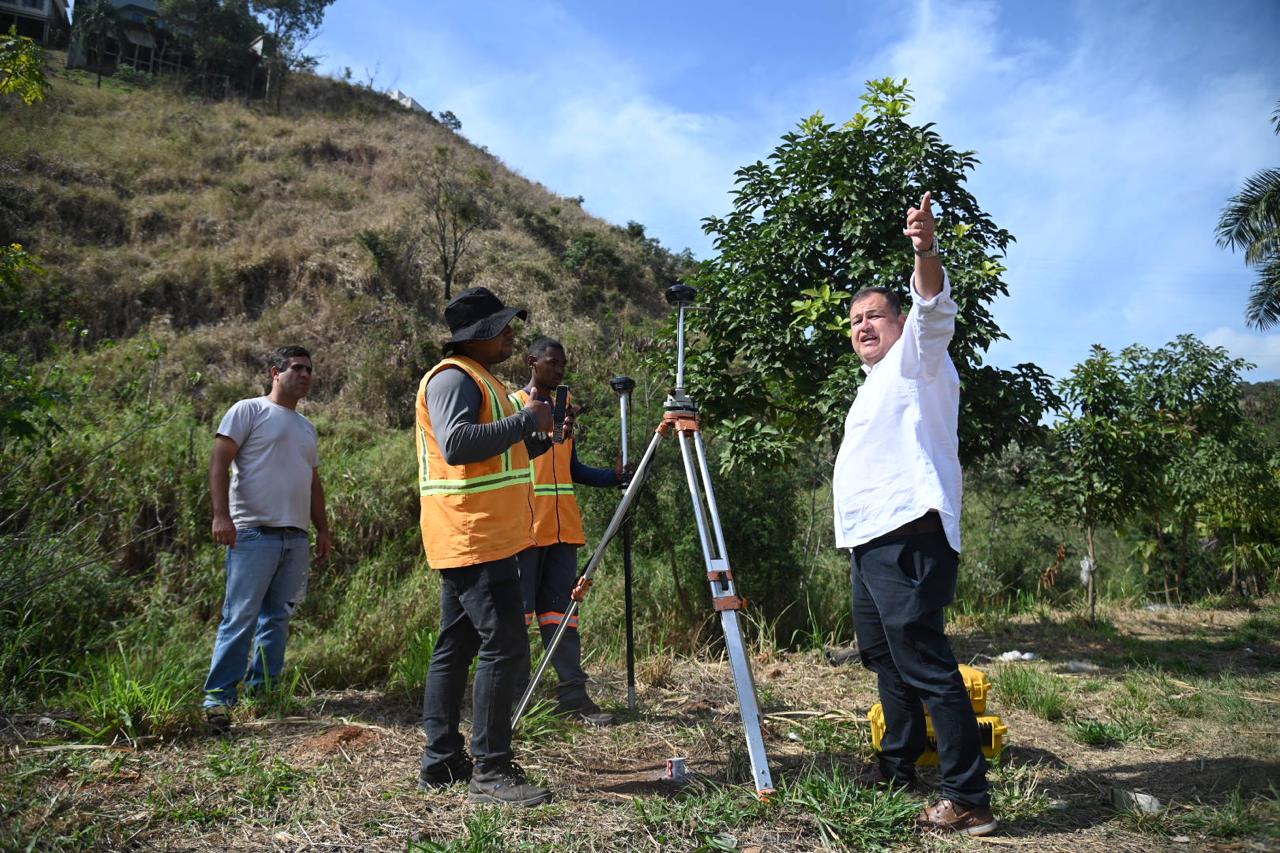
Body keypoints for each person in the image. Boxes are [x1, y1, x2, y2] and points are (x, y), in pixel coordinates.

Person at [832, 192, 997, 837]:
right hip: (869, 541)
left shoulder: (918, 359)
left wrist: (924, 251)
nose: (863, 327)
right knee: (884, 655)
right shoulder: (872, 384)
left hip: (909, 532)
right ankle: (897, 765)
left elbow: (934, 309)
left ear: (898, 323)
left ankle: (968, 797)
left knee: (925, 659)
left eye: (874, 316)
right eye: (854, 322)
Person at [415, 286, 555, 807]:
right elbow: (457, 445)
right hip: (476, 535)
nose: (512, 336)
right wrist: (523, 421)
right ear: (480, 336)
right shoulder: (454, 378)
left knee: (457, 644)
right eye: (504, 328)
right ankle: (491, 773)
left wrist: (541, 431)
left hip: (478, 532)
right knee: (507, 646)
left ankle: (443, 759)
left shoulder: (482, 381)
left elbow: (497, 449)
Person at [202, 346, 331, 733]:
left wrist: (322, 529)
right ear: (275, 372)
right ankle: (219, 702)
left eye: (309, 369)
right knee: (239, 616)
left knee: (277, 618)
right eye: (297, 368)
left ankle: (265, 695)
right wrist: (221, 516)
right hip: (253, 533)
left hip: (295, 537)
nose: (305, 374)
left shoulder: (306, 427)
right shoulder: (248, 410)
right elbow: (220, 461)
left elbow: (313, 483)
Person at [510, 337, 625, 726]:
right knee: (520, 618)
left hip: (563, 531)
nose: (559, 370)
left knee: (563, 616)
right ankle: (515, 703)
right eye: (552, 363)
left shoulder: (564, 408)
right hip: (527, 529)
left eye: (563, 364)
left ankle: (573, 698)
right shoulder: (513, 406)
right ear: (532, 362)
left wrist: (614, 477)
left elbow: (571, 469)